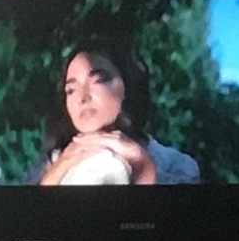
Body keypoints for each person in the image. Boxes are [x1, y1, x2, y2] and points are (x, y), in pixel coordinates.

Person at [34, 35, 201, 189]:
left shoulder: (177, 167)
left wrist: (141, 165)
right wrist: (61, 166)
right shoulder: (51, 164)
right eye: (71, 90)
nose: (82, 98)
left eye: (98, 80)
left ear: (129, 84)